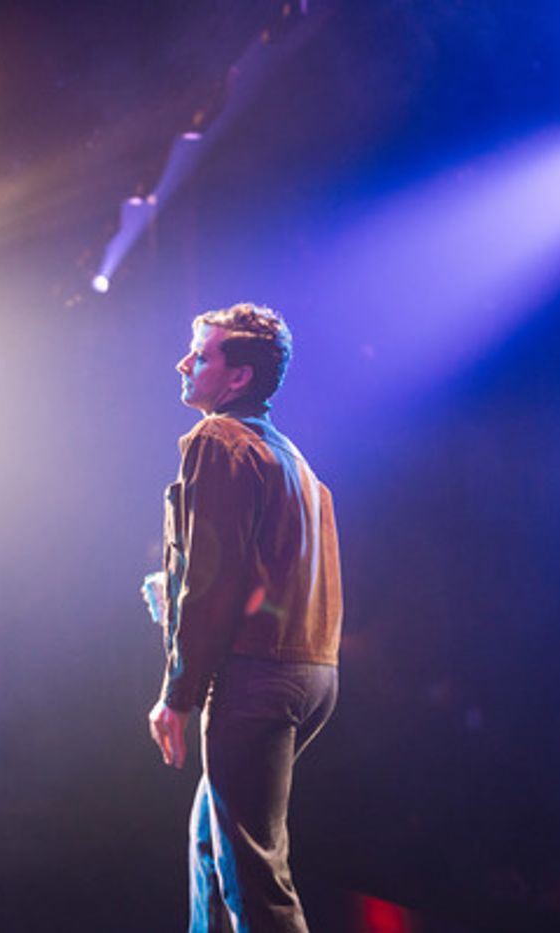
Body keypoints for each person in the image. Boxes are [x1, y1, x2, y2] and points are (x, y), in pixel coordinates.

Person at [144, 303, 342, 933]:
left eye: (201, 355)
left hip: (258, 679)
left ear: (237, 379)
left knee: (254, 878)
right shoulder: (295, 462)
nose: (185, 362)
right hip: (310, 675)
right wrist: (173, 595)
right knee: (213, 845)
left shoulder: (218, 440)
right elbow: (261, 578)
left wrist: (179, 695)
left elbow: (213, 581)